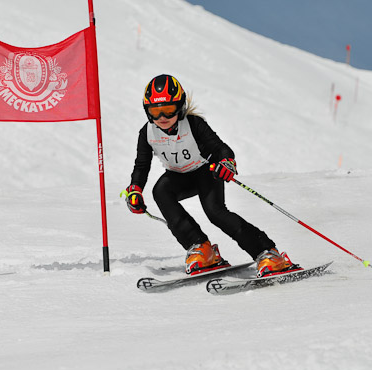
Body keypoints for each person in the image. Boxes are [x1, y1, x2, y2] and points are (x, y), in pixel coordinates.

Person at [123, 74, 301, 278]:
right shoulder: (147, 133)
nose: (162, 116)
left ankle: (268, 253)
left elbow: (221, 149)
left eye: (168, 109)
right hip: (178, 176)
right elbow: (141, 165)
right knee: (161, 191)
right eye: (155, 111)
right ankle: (201, 249)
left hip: (205, 173)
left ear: (180, 107)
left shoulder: (193, 124)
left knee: (215, 212)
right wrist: (135, 189)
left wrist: (226, 163)